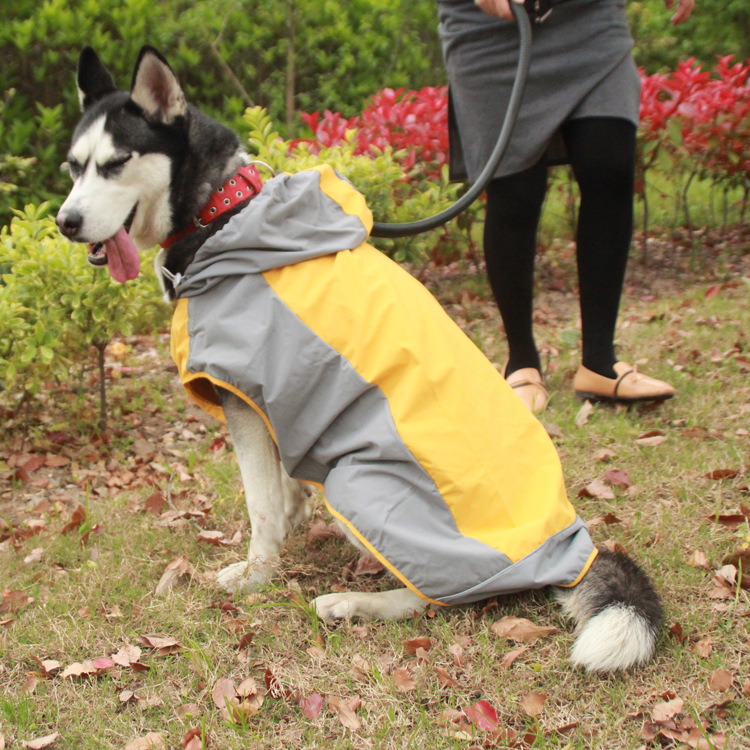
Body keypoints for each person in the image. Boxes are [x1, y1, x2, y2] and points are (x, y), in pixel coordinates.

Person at [437, 0, 695, 412]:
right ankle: (521, 360)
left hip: (589, 18)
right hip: (491, 27)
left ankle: (599, 361)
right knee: (515, 195)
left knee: (609, 163)